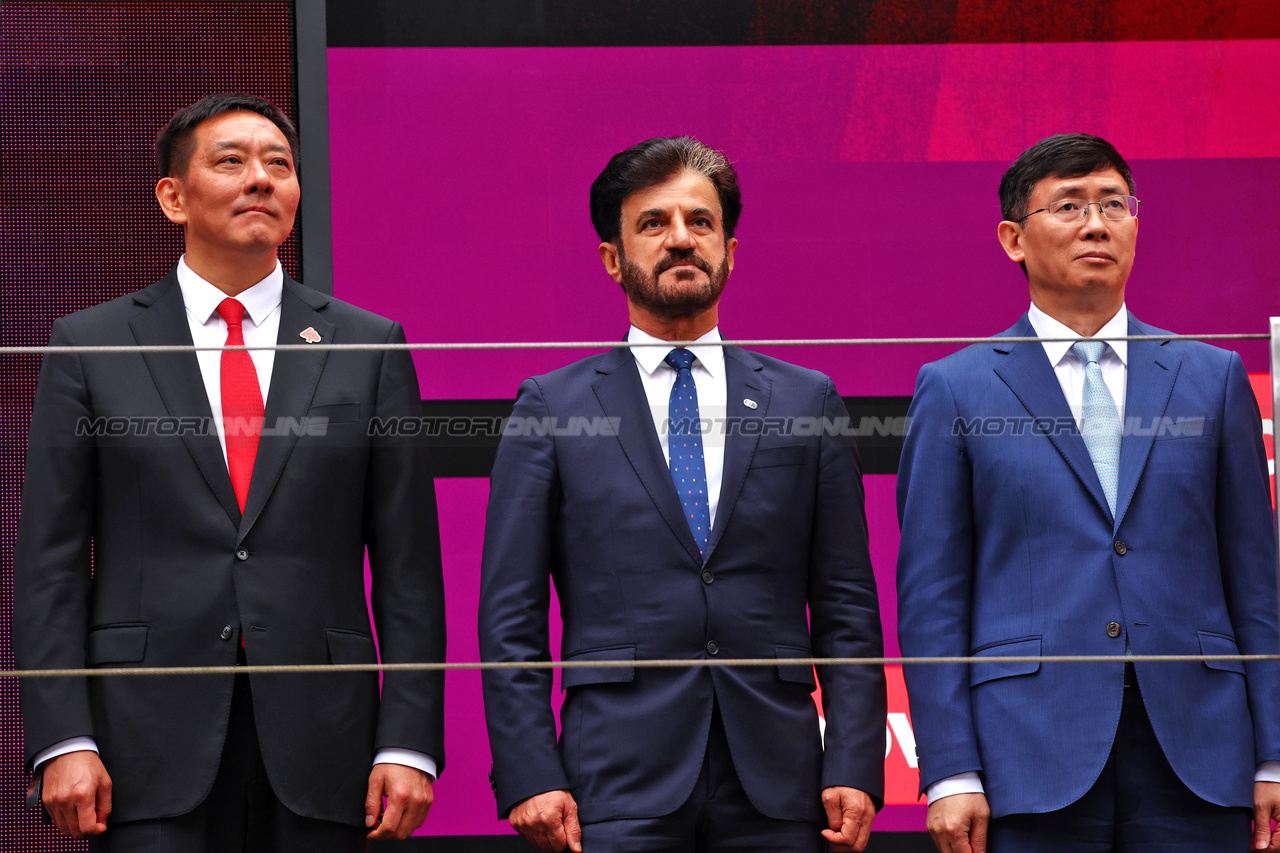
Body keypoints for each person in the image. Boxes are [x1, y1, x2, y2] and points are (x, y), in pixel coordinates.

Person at [14, 93, 446, 851]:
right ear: (172, 197)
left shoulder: (368, 346)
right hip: (142, 745)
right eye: (232, 162)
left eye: (278, 164)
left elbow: (410, 566)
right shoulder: (91, 344)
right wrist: (63, 736)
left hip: (327, 743)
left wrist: (408, 741)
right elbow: (49, 564)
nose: (260, 179)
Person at [477, 135, 886, 853]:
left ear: (730, 248)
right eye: (654, 223)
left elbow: (848, 602)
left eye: (701, 222)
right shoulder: (552, 405)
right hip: (613, 786)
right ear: (613, 257)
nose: (681, 239)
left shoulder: (806, 398)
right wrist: (529, 771)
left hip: (783, 784)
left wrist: (854, 759)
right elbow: (511, 616)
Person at [896, 132, 1280, 852]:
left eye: (1114, 204)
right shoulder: (956, 387)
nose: (1097, 224)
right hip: (1028, 755)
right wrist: (950, 769)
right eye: (1068, 206)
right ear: (1014, 239)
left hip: (1201, 750)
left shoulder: (1212, 376)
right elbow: (933, 595)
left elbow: (1255, 580)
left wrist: (1274, 753)